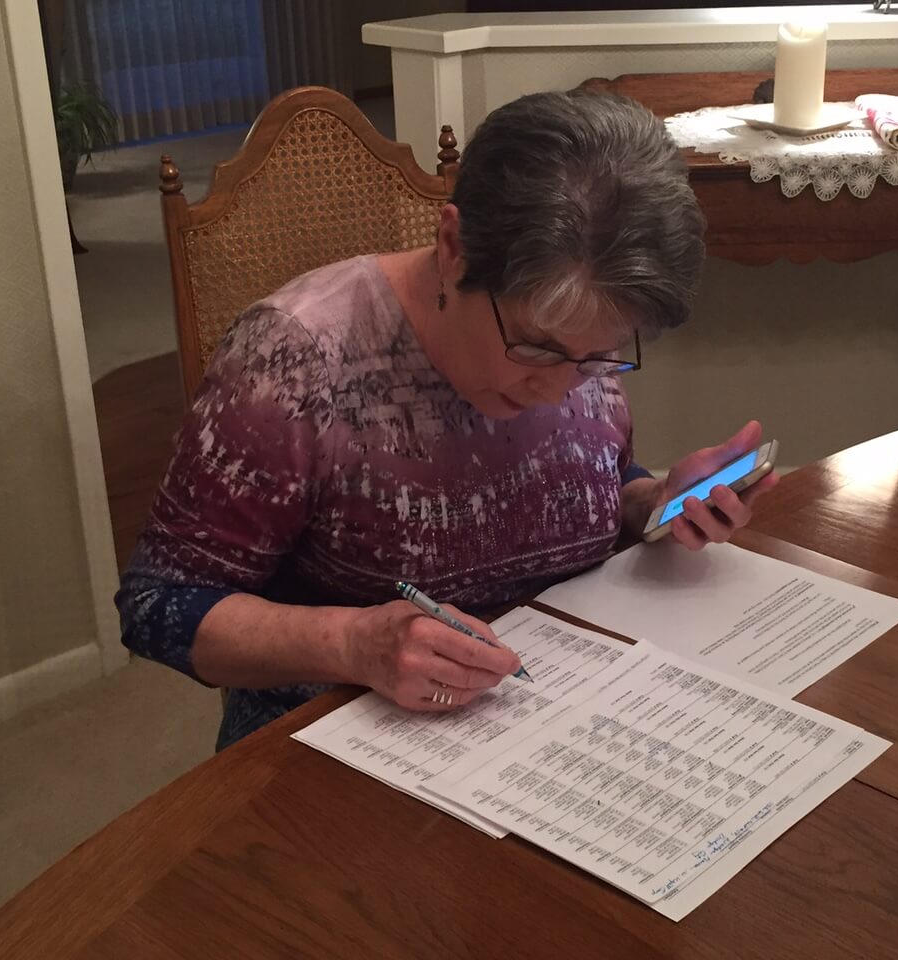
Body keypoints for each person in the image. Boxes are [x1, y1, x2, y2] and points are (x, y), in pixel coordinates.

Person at [117, 89, 775, 749]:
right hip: (333, 747)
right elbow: (157, 605)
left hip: (549, 724)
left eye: (600, 356)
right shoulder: (295, 360)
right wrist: (354, 644)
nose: (558, 390)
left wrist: (649, 502)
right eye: (536, 347)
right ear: (454, 245)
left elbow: (590, 471)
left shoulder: (569, 350)